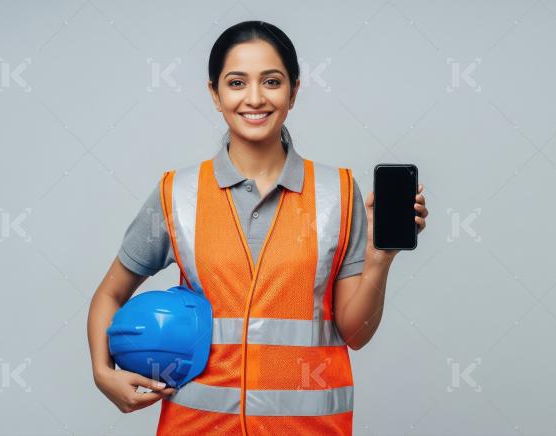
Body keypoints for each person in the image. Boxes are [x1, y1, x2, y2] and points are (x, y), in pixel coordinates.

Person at [87, 20, 428, 435]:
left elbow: (355, 333)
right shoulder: (177, 193)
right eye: (236, 83)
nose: (254, 98)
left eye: (271, 81)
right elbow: (110, 293)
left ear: (294, 91)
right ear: (214, 93)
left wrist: (379, 258)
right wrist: (103, 373)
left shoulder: (338, 192)